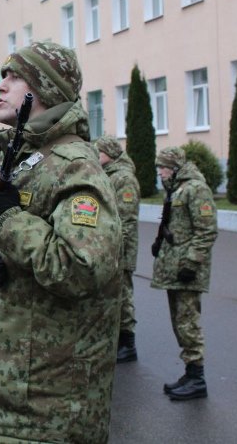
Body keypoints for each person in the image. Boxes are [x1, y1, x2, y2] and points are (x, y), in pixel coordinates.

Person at [0, 41, 122, 443]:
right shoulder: (28, 159)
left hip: (48, 406)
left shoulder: (73, 165)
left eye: (13, 76)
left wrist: (9, 217)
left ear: (43, 89)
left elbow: (80, 268)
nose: (0, 86)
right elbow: (2, 249)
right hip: (14, 394)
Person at [152, 146, 217, 401]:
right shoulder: (177, 189)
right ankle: (190, 374)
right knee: (180, 323)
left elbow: (207, 230)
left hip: (187, 272)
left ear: (176, 167)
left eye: (164, 167)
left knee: (188, 324)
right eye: (159, 167)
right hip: (175, 270)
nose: (160, 172)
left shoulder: (196, 189)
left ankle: (197, 378)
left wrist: (191, 263)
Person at [96, 135, 141, 363]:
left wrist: (116, 246)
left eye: (100, 151)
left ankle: (128, 342)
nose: (96, 155)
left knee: (123, 293)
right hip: (110, 245)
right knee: (112, 294)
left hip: (121, 247)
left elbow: (126, 218)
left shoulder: (124, 178)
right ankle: (117, 340)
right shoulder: (108, 175)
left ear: (110, 154)